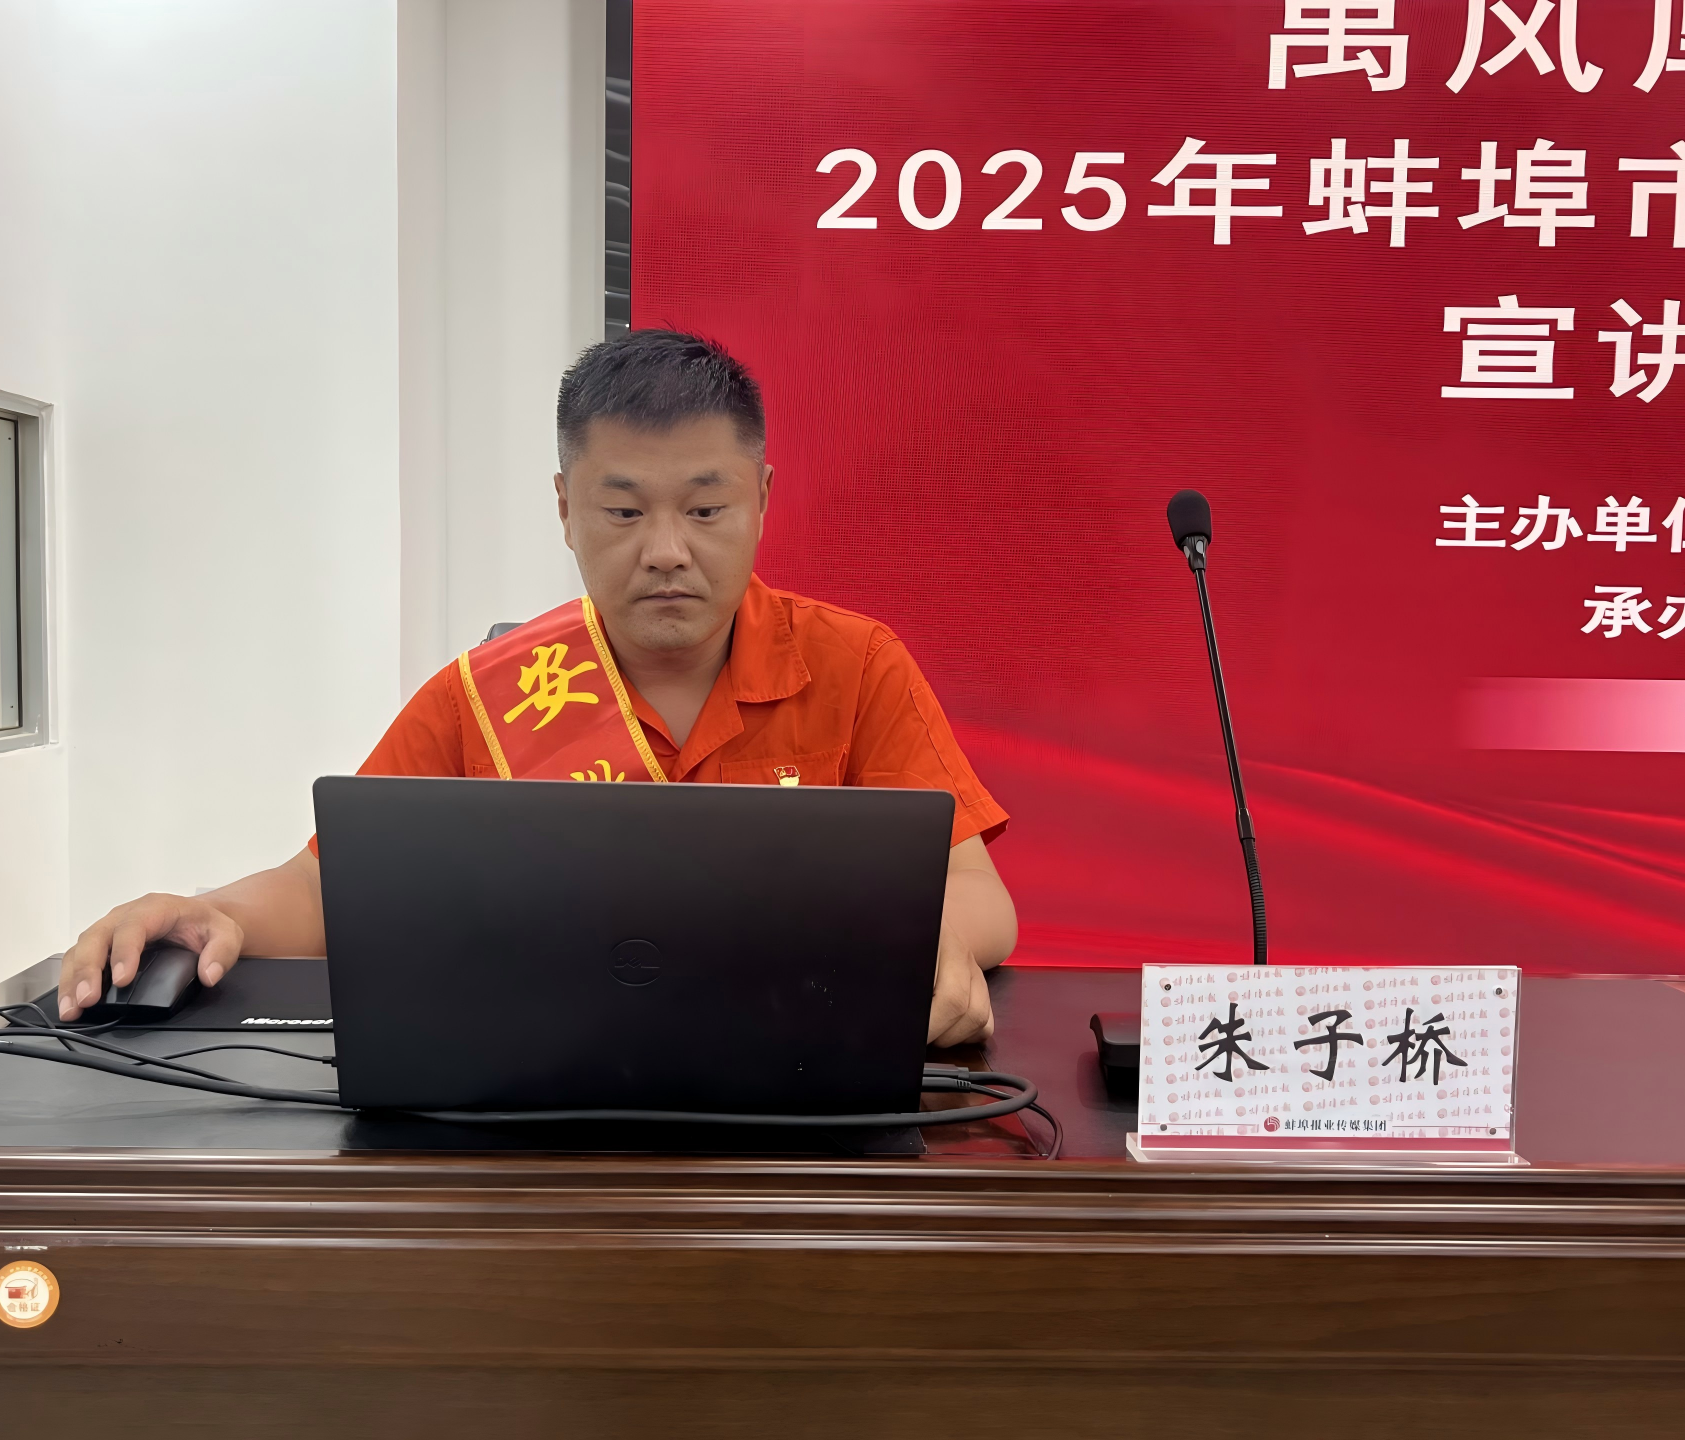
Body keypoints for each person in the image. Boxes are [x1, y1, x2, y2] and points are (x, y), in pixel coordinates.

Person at [58, 330, 1015, 1046]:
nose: (667, 550)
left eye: (706, 508)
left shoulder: (856, 666)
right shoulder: (488, 695)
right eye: (623, 511)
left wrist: (923, 939)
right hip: (551, 1095)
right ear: (565, 509)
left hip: (794, 1079)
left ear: (762, 499)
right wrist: (213, 914)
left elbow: (980, 896)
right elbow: (328, 887)